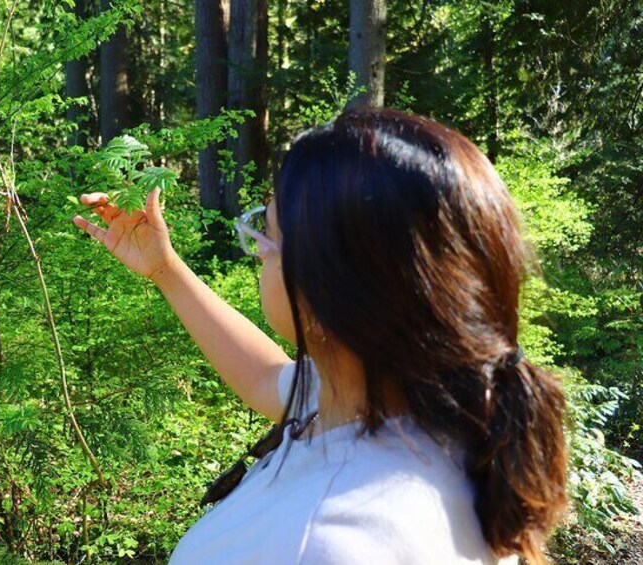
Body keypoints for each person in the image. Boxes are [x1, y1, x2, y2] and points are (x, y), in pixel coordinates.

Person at [71, 107, 568, 564]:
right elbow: (267, 378)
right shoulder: (415, 403)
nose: (259, 255)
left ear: (328, 285)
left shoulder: (333, 539)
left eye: (265, 239)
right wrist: (164, 268)